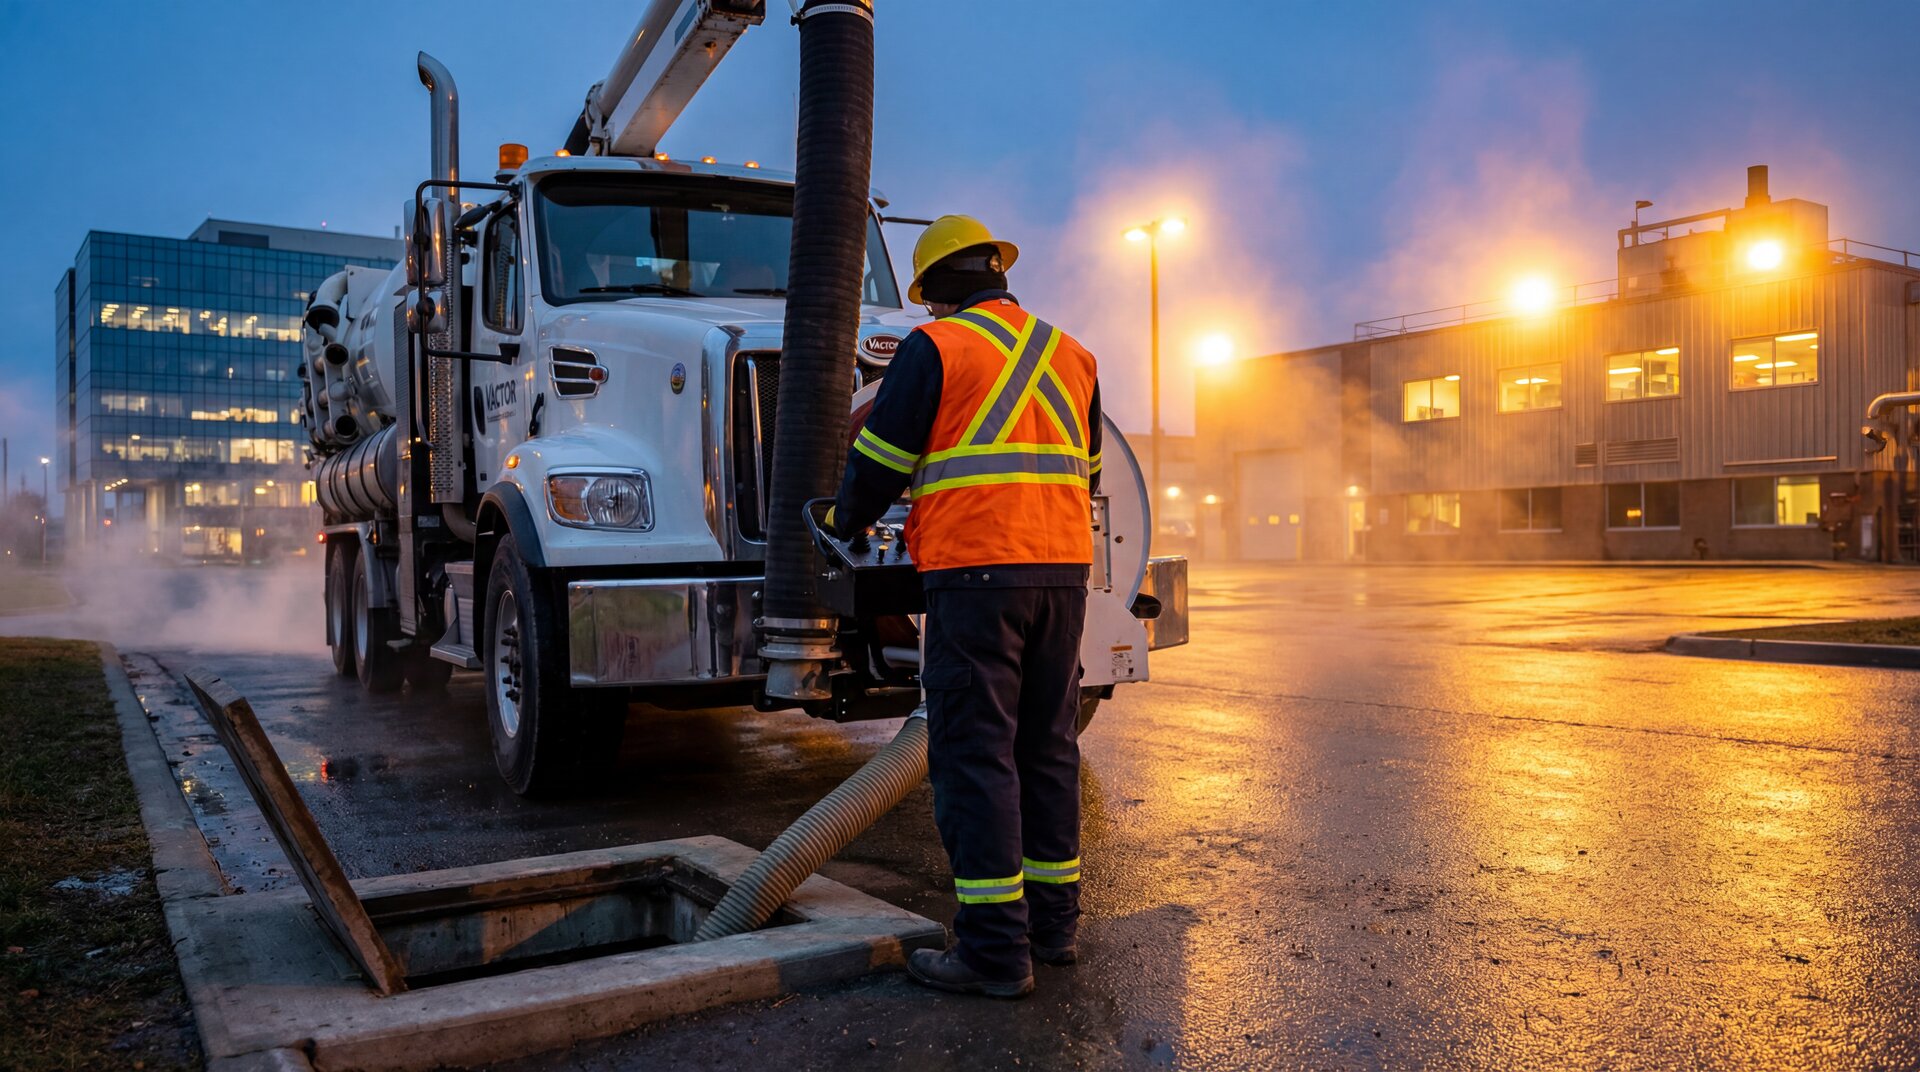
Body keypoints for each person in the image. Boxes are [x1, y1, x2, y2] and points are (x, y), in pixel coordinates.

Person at [827, 214, 1102, 998]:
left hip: (977, 575)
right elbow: (1087, 470)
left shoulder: (937, 347)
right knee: (1046, 750)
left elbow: (881, 459)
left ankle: (993, 953)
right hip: (1062, 575)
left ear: (939, 288)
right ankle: (1053, 930)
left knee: (975, 757)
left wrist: (842, 520)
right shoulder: (1072, 352)